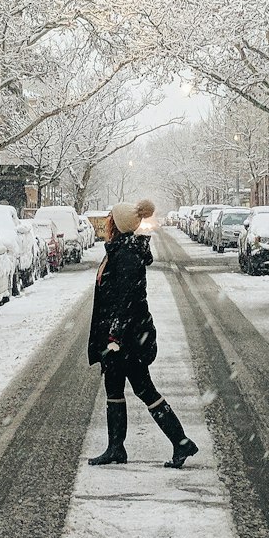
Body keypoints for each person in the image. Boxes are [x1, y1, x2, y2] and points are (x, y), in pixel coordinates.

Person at [87, 198, 198, 469]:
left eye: (110, 218)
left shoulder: (125, 255)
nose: (107, 223)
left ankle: (181, 441)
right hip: (124, 337)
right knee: (114, 389)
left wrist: (114, 338)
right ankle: (116, 447)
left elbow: (126, 302)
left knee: (145, 389)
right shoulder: (119, 250)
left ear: (118, 224)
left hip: (127, 340)